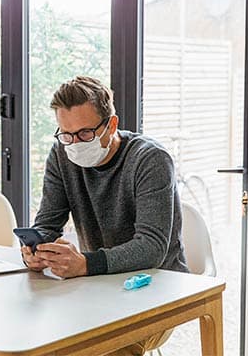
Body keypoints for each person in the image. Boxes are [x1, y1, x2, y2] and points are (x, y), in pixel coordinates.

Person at [20, 76, 188, 356]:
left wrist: (85, 263)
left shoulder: (151, 159)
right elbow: (47, 224)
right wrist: (36, 249)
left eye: (85, 133)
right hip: (95, 285)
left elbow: (152, 248)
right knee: (35, 337)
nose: (74, 143)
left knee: (107, 349)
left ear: (111, 124)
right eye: (66, 134)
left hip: (156, 285)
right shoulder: (62, 155)